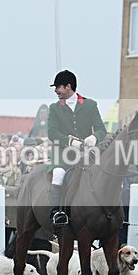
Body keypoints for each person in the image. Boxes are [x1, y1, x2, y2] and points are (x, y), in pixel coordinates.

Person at [46, 69, 107, 225]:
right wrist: (70, 141)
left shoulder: (90, 105)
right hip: (62, 154)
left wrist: (94, 138)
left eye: (58, 87)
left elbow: (101, 129)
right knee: (59, 174)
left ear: (68, 86)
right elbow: (52, 133)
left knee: (103, 174)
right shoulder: (54, 108)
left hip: (86, 154)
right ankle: (56, 213)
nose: (55, 91)